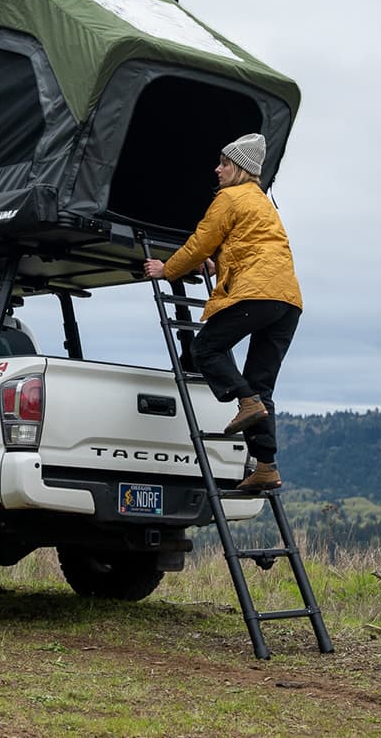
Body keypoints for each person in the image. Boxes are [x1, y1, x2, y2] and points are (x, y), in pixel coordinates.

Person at [142, 133, 302, 492]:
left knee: (205, 349)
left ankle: (244, 402)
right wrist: (221, 267)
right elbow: (253, 247)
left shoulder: (230, 198)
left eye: (224, 163)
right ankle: (265, 466)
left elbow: (201, 242)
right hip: (287, 300)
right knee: (261, 386)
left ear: (240, 168)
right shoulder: (261, 202)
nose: (217, 169)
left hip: (258, 294)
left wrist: (165, 269)